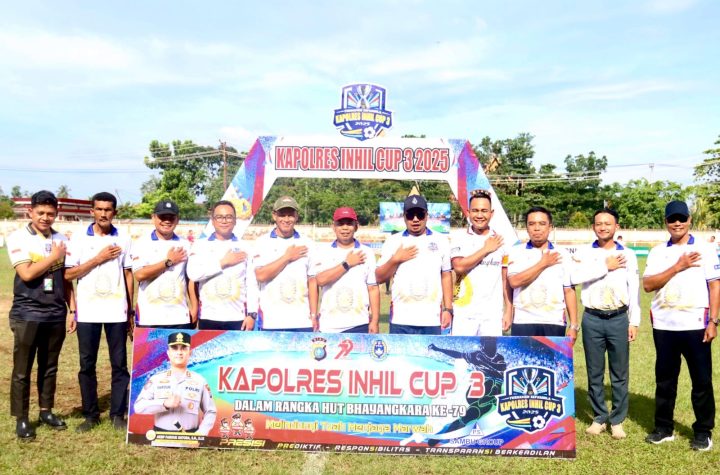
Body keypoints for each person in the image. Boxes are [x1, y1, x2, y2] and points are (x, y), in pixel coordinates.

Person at [643, 200, 719, 451]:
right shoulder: (657, 252)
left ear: (689, 220)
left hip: (696, 325)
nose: (677, 223)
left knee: (701, 381)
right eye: (672, 219)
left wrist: (713, 321)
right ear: (665, 222)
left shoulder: (706, 249)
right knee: (665, 380)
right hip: (664, 326)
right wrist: (678, 266)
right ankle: (663, 428)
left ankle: (703, 431)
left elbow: (715, 286)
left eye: (682, 218)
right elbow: (648, 285)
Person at [6, 190, 74, 440]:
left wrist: (72, 309)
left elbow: (65, 279)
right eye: (41, 213)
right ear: (30, 212)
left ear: (56, 213)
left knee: (49, 366)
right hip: (28, 312)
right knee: (22, 369)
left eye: (50, 213)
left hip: (55, 312)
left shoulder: (61, 238)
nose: (45, 217)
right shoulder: (18, 238)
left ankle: (46, 411)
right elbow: (26, 274)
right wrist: (54, 256)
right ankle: (22, 418)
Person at [65, 192, 133, 433]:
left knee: (119, 365)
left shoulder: (124, 238)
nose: (103, 214)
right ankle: (90, 415)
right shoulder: (78, 238)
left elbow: (128, 274)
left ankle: (117, 414)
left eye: (108, 209)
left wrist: (130, 310)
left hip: (117, 312)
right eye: (99, 209)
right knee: (87, 364)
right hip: (88, 312)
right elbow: (68, 274)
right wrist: (98, 258)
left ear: (115, 212)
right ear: (92, 211)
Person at [570, 208, 640, 439]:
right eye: (598, 223)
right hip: (592, 318)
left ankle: (617, 420)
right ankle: (599, 417)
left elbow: (634, 289)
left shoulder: (627, 254)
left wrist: (634, 321)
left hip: (619, 318)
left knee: (619, 372)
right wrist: (604, 267)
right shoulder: (583, 252)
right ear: (593, 227)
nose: (603, 227)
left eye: (607, 223)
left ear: (616, 226)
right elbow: (574, 278)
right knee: (595, 371)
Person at [375, 194, 453, 335]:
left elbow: (446, 276)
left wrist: (448, 309)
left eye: (420, 215)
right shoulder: (393, 241)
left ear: (427, 215)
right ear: (404, 216)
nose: (415, 219)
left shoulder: (441, 241)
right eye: (411, 215)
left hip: (431, 319)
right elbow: (378, 277)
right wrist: (395, 259)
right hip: (401, 320)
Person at [507, 206, 578, 339]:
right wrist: (543, 263)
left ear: (550, 227)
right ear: (526, 227)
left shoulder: (562, 254)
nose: (537, 228)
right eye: (532, 224)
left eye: (542, 223)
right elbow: (514, 282)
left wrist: (574, 325)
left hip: (554, 322)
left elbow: (569, 290)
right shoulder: (515, 252)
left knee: (552, 354)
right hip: (523, 321)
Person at [186, 200, 257, 330]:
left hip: (237, 318)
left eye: (229, 217)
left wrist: (252, 314)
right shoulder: (200, 245)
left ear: (235, 221)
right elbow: (193, 274)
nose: (224, 221)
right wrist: (223, 262)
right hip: (209, 317)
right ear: (213, 221)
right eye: (219, 217)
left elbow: (251, 284)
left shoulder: (245, 247)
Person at [450, 189, 512, 336]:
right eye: (475, 210)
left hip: (492, 314)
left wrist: (509, 310)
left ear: (492, 213)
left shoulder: (502, 241)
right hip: (464, 313)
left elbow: (505, 279)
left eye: (484, 211)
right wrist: (486, 249)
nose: (479, 215)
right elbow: (459, 266)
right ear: (468, 212)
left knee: (490, 352)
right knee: (461, 351)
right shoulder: (459, 238)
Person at [252, 196, 318, 331]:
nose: (286, 219)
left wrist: (313, 314)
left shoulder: (308, 243)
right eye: (282, 215)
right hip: (271, 322)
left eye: (290, 215)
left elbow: (312, 282)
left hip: (301, 321)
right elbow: (261, 276)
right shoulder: (262, 242)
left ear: (296, 216)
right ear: (274, 216)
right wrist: (287, 257)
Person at [131, 200, 198, 329]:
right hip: (149, 317)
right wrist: (169, 262)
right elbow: (140, 275)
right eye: (162, 217)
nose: (167, 221)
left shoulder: (186, 244)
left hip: (179, 317)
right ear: (153, 217)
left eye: (171, 217)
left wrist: (194, 307)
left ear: (177, 219)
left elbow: (191, 279)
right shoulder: (142, 243)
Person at [133, 332, 216, 435]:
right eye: (174, 348)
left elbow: (211, 411)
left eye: (183, 348)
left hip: (190, 439)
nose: (179, 352)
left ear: (190, 353)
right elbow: (138, 406)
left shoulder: (200, 381)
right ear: (168, 353)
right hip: (160, 438)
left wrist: (201, 433)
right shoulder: (156, 379)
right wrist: (163, 404)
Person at [313, 207, 380, 333]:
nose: (345, 228)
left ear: (356, 226)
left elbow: (373, 288)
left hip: (359, 324)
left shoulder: (367, 252)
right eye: (340, 224)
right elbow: (320, 280)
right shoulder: (323, 251)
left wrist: (375, 321)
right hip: (329, 325)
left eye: (349, 223)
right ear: (334, 227)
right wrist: (347, 264)